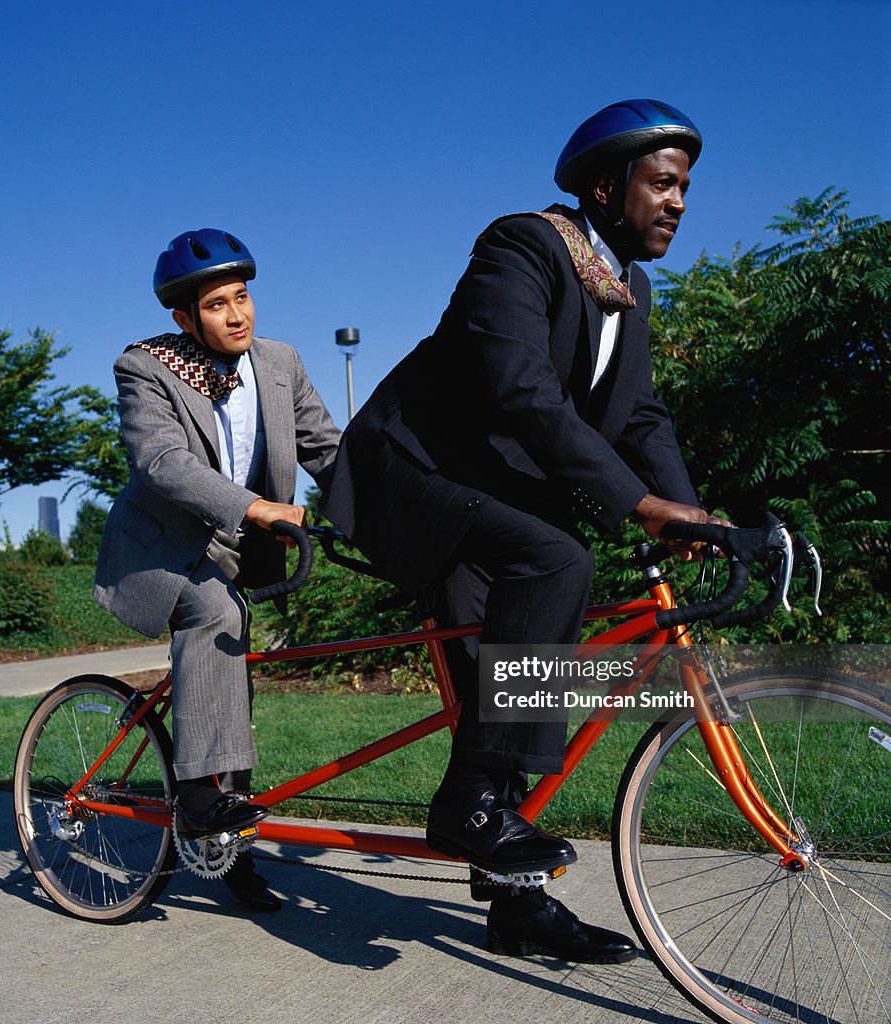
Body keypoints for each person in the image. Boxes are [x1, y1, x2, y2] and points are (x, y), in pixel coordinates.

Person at [322, 100, 724, 961]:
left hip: (489, 497)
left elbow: (640, 416)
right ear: (607, 187)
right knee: (554, 561)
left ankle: (516, 905)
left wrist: (687, 510)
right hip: (413, 474)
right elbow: (521, 391)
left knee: (502, 687)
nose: (680, 200)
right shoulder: (524, 246)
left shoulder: (629, 288)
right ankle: (465, 805)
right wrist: (636, 505)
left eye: (686, 186)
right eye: (663, 182)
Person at [94, 228, 340, 910]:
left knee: (232, 680)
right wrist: (257, 506)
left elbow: (326, 447)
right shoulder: (145, 368)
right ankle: (199, 799)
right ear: (183, 318)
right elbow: (163, 463)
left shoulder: (280, 362)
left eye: (242, 297)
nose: (237, 315)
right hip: (163, 551)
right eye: (216, 305)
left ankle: (229, 853)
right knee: (216, 612)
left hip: (235, 548)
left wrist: (379, 506)